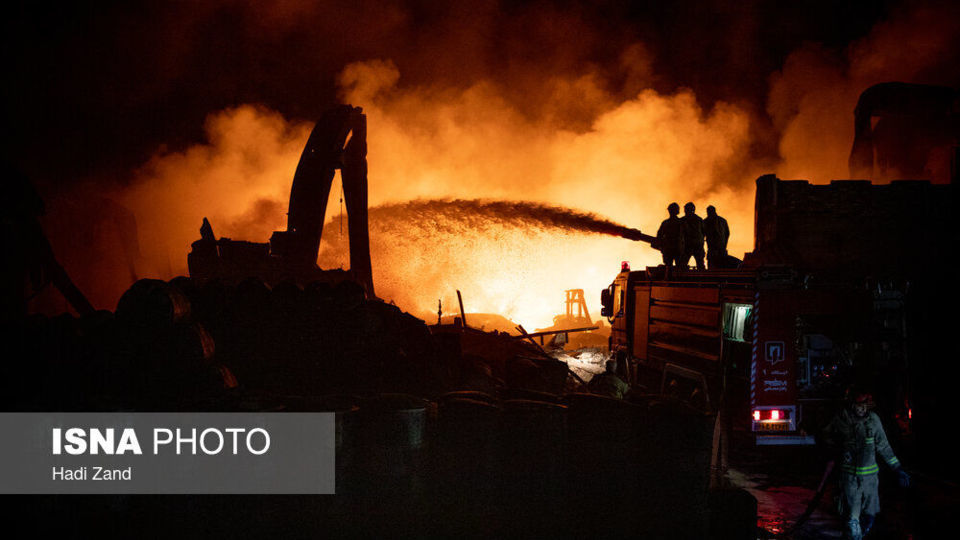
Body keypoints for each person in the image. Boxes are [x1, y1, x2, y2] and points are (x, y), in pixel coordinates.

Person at [821, 388, 910, 540]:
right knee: (852, 517)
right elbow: (826, 435)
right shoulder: (842, 419)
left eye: (864, 406)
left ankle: (862, 530)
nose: (861, 410)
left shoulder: (873, 420)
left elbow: (883, 446)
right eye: (858, 405)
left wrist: (898, 468)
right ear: (851, 404)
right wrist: (833, 449)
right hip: (850, 478)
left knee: (870, 512)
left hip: (870, 479)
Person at [656, 203, 685, 267]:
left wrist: (661, 246)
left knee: (668, 267)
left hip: (669, 249)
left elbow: (659, 235)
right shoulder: (681, 222)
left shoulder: (666, 223)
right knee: (679, 267)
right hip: (677, 249)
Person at [703, 205, 730, 269]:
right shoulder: (722, 220)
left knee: (719, 264)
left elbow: (727, 233)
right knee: (716, 264)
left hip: (718, 247)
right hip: (715, 247)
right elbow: (727, 233)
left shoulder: (706, 221)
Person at [680, 202, 705, 270]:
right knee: (700, 264)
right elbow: (704, 232)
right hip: (696, 245)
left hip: (688, 246)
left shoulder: (682, 220)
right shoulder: (699, 220)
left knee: (682, 264)